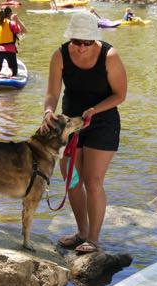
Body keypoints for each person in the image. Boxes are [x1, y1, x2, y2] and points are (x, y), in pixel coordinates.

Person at [41, 12, 127, 253]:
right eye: (76, 42)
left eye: (86, 43)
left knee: (92, 180)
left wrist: (94, 110)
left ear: (94, 40)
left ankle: (94, 239)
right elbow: (52, 93)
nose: (80, 47)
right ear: (70, 38)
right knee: (72, 181)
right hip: (69, 124)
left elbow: (120, 95)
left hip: (102, 122)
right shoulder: (59, 55)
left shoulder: (109, 56)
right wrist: (48, 111)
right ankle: (82, 232)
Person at [0, 6, 27, 77]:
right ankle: (10, 70)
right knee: (14, 70)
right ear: (10, 14)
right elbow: (24, 31)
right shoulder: (11, 23)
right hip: (10, 50)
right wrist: (17, 20)